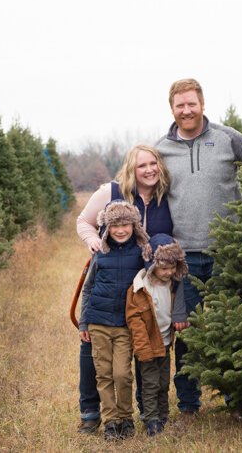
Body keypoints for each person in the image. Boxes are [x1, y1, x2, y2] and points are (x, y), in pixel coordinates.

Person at [155, 78, 242, 416]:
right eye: (179, 105)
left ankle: (239, 401)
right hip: (184, 258)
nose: (186, 110)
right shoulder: (161, 150)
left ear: (202, 104)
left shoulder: (227, 138)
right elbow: (140, 186)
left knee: (234, 325)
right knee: (186, 330)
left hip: (228, 252)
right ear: (172, 109)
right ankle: (189, 405)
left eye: (191, 103)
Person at [75, 144, 172, 434]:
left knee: (140, 352)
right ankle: (93, 412)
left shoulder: (165, 196)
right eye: (142, 165)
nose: (149, 169)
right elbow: (83, 221)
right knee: (94, 355)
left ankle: (143, 412)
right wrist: (94, 242)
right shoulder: (111, 192)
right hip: (107, 284)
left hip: (145, 288)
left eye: (153, 163)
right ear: (131, 168)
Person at [79, 200, 148, 441]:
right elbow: (87, 289)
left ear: (134, 225)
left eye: (125, 224)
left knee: (122, 374)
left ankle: (126, 417)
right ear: (107, 227)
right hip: (98, 323)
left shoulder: (141, 253)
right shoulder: (100, 252)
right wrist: (84, 323)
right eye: (115, 225)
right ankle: (111, 422)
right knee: (104, 374)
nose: (120, 230)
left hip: (125, 325)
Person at [126, 233, 189, 436]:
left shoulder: (172, 285)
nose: (169, 272)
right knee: (150, 383)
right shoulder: (140, 289)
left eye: (173, 267)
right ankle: (151, 419)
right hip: (147, 346)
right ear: (152, 265)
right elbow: (135, 322)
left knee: (163, 381)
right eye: (164, 268)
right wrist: (143, 349)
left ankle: (163, 414)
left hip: (165, 343)